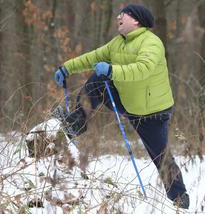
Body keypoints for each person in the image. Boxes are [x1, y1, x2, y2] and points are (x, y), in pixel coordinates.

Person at [54, 3, 189, 209]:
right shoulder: (118, 43)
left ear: (135, 20)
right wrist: (67, 68)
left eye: (122, 15)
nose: (118, 17)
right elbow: (94, 56)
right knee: (96, 81)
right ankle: (76, 122)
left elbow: (143, 69)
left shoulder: (151, 43)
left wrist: (112, 70)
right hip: (127, 102)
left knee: (161, 156)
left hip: (151, 113)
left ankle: (179, 197)